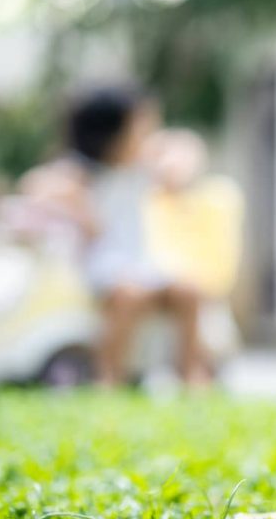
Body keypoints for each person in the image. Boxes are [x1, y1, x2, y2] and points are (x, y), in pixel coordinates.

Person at [18, 86, 212, 388]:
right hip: (104, 265)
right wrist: (75, 207)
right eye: (139, 129)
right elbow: (34, 186)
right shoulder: (82, 173)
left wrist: (176, 159)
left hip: (142, 260)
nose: (147, 137)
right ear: (108, 135)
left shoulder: (141, 169)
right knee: (128, 296)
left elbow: (182, 167)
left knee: (188, 291)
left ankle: (190, 372)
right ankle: (108, 374)